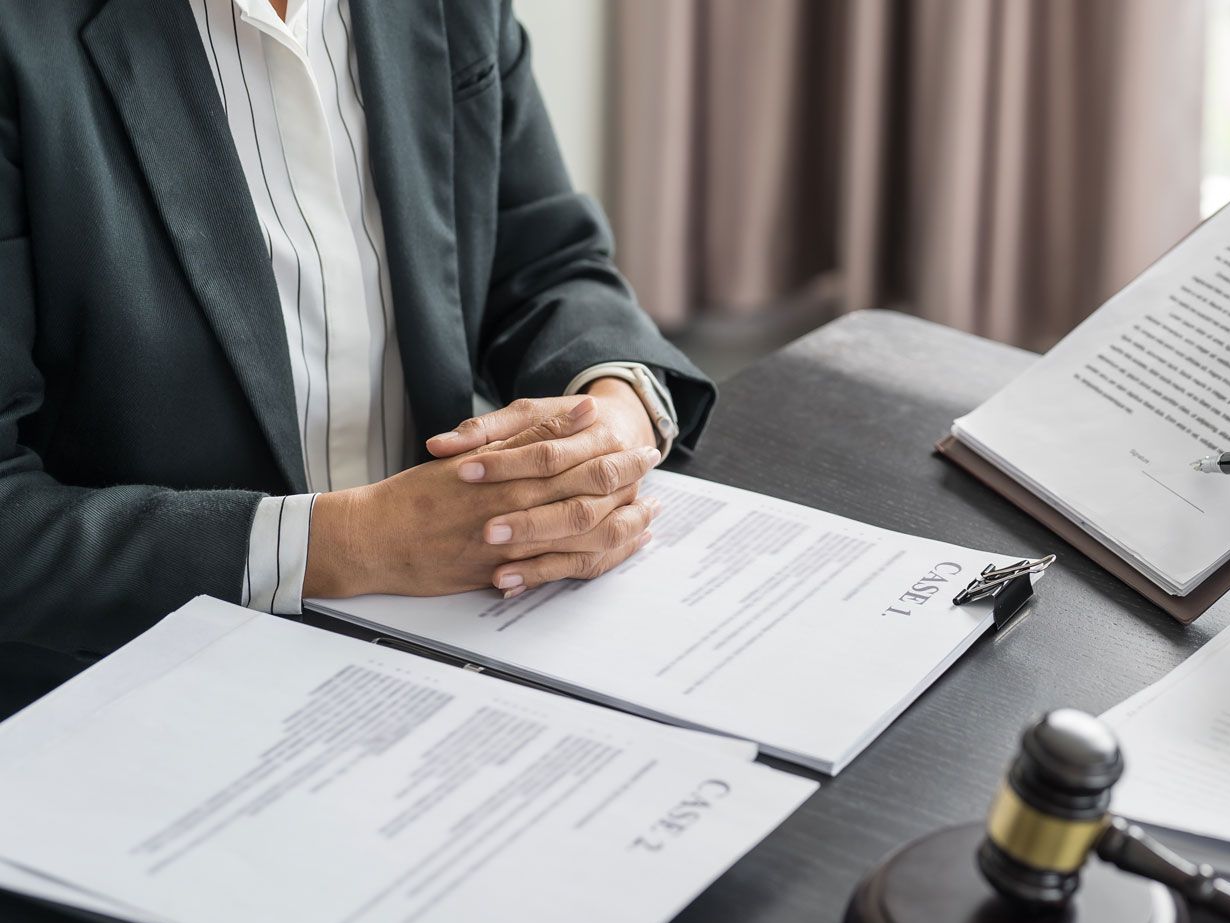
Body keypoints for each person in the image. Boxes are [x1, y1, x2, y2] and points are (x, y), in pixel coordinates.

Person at [0, 0, 712, 698]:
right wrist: (347, 544)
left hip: (456, 635)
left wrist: (614, 419)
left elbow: (542, 258)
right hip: (130, 693)